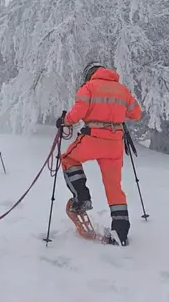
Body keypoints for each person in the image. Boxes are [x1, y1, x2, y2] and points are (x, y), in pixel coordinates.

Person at [56, 62, 142, 245]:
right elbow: (136, 114)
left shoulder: (88, 88)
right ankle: (121, 232)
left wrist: (65, 120)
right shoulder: (122, 90)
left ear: (90, 75)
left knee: (68, 159)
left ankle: (81, 199)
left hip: (93, 137)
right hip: (115, 143)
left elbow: (77, 113)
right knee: (114, 187)